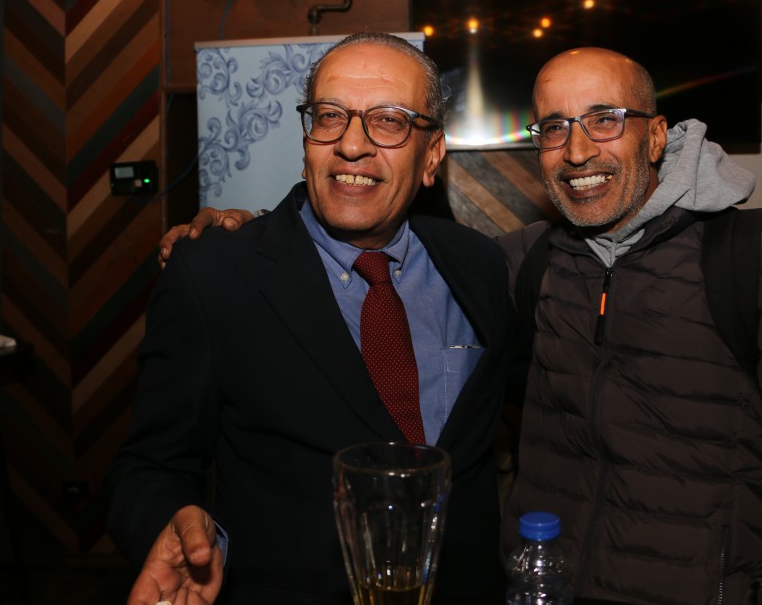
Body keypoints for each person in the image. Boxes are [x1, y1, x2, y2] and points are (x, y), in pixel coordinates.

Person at [162, 46, 762, 605]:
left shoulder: (757, 257)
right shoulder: (520, 265)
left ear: (656, 136)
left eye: (604, 120)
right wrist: (247, 231)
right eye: (554, 127)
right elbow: (321, 266)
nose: (578, 150)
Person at [107, 32, 513, 604]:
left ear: (432, 156)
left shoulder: (481, 267)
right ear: (307, 140)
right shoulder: (215, 276)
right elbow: (151, 464)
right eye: (330, 116)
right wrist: (171, 526)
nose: (352, 144)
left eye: (389, 121)